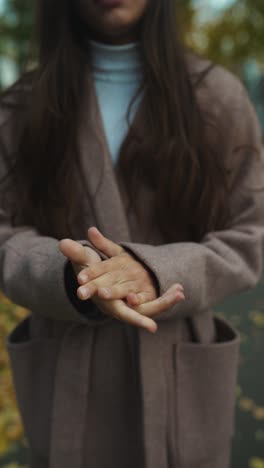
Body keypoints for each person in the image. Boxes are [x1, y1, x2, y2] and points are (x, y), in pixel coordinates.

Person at [1, 1, 264, 467]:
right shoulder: (22, 106)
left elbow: (252, 232)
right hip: (66, 369)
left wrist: (154, 271)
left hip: (179, 369)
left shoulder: (217, 96)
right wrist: (72, 276)